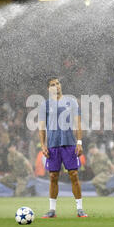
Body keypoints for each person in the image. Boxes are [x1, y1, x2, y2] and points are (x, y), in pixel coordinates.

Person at [38, 77, 87, 218]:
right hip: (53, 144)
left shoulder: (71, 102)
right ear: (48, 89)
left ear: (61, 85)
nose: (56, 86)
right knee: (53, 176)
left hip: (69, 143)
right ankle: (52, 210)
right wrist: (43, 145)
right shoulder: (45, 105)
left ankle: (80, 209)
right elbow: (41, 127)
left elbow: (78, 123)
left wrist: (79, 142)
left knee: (74, 174)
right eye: (53, 85)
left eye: (58, 83)